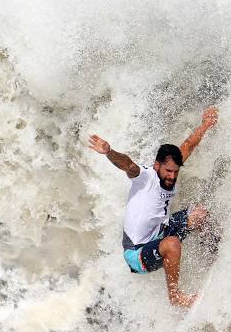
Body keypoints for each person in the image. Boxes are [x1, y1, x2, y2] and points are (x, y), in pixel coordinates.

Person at [88, 107, 219, 307]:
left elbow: (188, 146)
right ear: (157, 166)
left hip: (160, 233)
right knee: (173, 243)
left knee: (199, 214)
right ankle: (175, 296)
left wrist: (206, 124)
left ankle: (216, 253)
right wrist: (109, 152)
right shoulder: (145, 177)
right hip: (137, 253)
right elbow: (127, 165)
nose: (172, 176)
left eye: (175, 172)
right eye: (168, 171)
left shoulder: (171, 171)